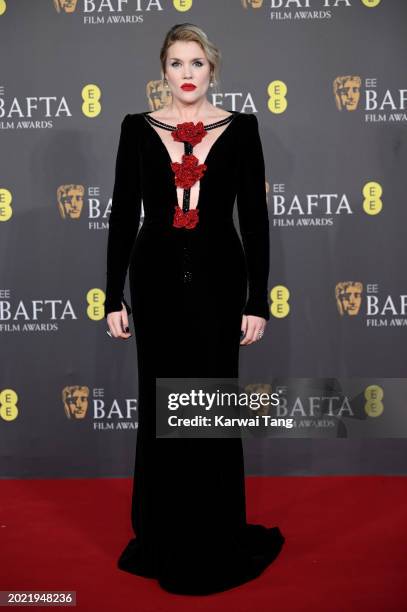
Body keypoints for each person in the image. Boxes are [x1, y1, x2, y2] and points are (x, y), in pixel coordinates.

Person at [104, 22, 285, 596]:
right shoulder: (136, 129)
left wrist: (258, 298)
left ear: (213, 70)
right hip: (153, 280)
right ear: (163, 70)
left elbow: (253, 222)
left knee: (209, 405)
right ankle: (162, 534)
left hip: (218, 280)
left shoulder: (243, 128)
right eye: (177, 63)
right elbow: (120, 217)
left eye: (197, 64)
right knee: (162, 407)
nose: (187, 74)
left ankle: (214, 534)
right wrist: (113, 295)